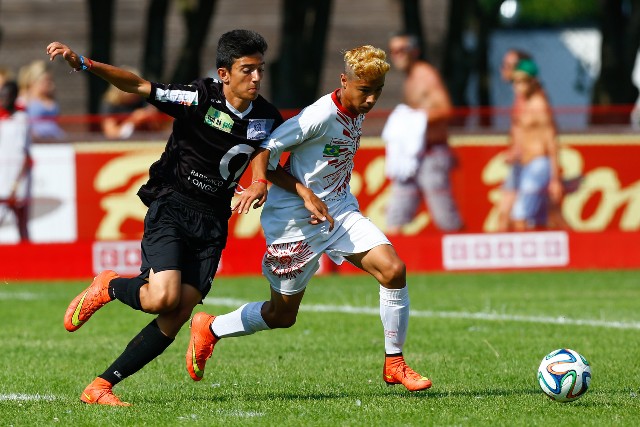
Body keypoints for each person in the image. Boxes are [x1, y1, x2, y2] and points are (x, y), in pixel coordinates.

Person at [46, 29, 283, 406]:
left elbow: (262, 146)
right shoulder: (198, 97)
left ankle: (101, 386)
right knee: (162, 298)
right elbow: (138, 85)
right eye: (247, 70)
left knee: (177, 312)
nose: (256, 78)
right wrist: (86, 64)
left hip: (213, 221)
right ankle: (109, 286)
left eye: (260, 70)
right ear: (224, 74)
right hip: (173, 204)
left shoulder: (266, 115)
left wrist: (259, 181)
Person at [185, 45, 432, 393]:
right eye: (364, 90)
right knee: (282, 315)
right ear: (344, 81)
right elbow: (263, 150)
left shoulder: (356, 107)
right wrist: (297, 190)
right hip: (294, 222)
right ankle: (210, 327)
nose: (371, 99)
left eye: (377, 91)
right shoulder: (318, 116)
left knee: (393, 270)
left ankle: (395, 363)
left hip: (339, 212)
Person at [382, 32, 462, 234]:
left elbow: (446, 109)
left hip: (432, 153)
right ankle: (391, 254)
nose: (397, 55)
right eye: (393, 51)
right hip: (413, 157)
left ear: (415, 51)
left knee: (444, 215)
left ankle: (459, 250)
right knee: (395, 215)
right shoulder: (410, 79)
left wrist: (414, 119)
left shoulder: (425, 75)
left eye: (402, 50)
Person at [507, 58, 562, 230]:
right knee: (540, 220)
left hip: (538, 165)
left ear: (533, 81)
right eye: (515, 81)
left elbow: (551, 141)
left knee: (520, 217)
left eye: (522, 81)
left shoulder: (539, 105)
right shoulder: (523, 103)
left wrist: (555, 179)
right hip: (525, 166)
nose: (517, 86)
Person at [496, 49, 532, 232]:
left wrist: (519, 149)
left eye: (508, 65)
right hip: (522, 162)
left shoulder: (528, 96)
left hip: (527, 163)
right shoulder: (520, 95)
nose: (503, 69)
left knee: (511, 216)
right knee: (507, 215)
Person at [0, 81, 32, 242]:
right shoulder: (3, 119)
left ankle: (26, 253)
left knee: (21, 221)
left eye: (6, 96)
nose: (3, 99)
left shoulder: (22, 119)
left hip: (18, 178)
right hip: (3, 177)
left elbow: (25, 154)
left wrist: (16, 183)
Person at [99, 67, 164, 139]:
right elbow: (111, 134)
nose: (136, 90)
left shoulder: (144, 100)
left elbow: (160, 131)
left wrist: (152, 118)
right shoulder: (111, 104)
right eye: (132, 86)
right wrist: (133, 120)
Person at [18, 60, 65, 141]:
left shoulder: (50, 97)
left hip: (55, 137)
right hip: (35, 139)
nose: (50, 84)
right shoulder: (25, 98)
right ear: (35, 81)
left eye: (51, 80)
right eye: (46, 81)